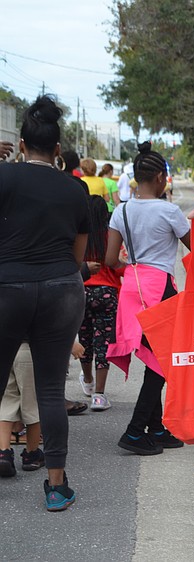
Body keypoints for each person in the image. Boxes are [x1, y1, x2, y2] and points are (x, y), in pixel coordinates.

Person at [0, 95, 90, 511]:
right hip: (60, 290)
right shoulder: (75, 188)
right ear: (57, 150)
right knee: (52, 389)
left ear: (20, 145)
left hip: (7, 288)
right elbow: (77, 256)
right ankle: (56, 486)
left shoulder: (3, 178)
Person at [106, 142, 194, 456]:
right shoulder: (167, 210)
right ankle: (134, 431)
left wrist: (131, 263)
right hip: (159, 289)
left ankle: (156, 428)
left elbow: (110, 259)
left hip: (132, 288)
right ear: (160, 178)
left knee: (153, 358)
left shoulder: (122, 210)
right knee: (162, 362)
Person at [78, 195, 122, 411]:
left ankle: (87, 382)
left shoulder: (79, 237)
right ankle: (99, 396)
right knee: (103, 344)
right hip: (107, 295)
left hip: (81, 292)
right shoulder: (109, 237)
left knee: (84, 341)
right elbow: (118, 266)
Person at [0, 343, 45, 476]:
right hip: (28, 348)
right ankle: (31, 454)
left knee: (6, 400)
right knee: (32, 403)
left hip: (4, 346)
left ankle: (4, 452)